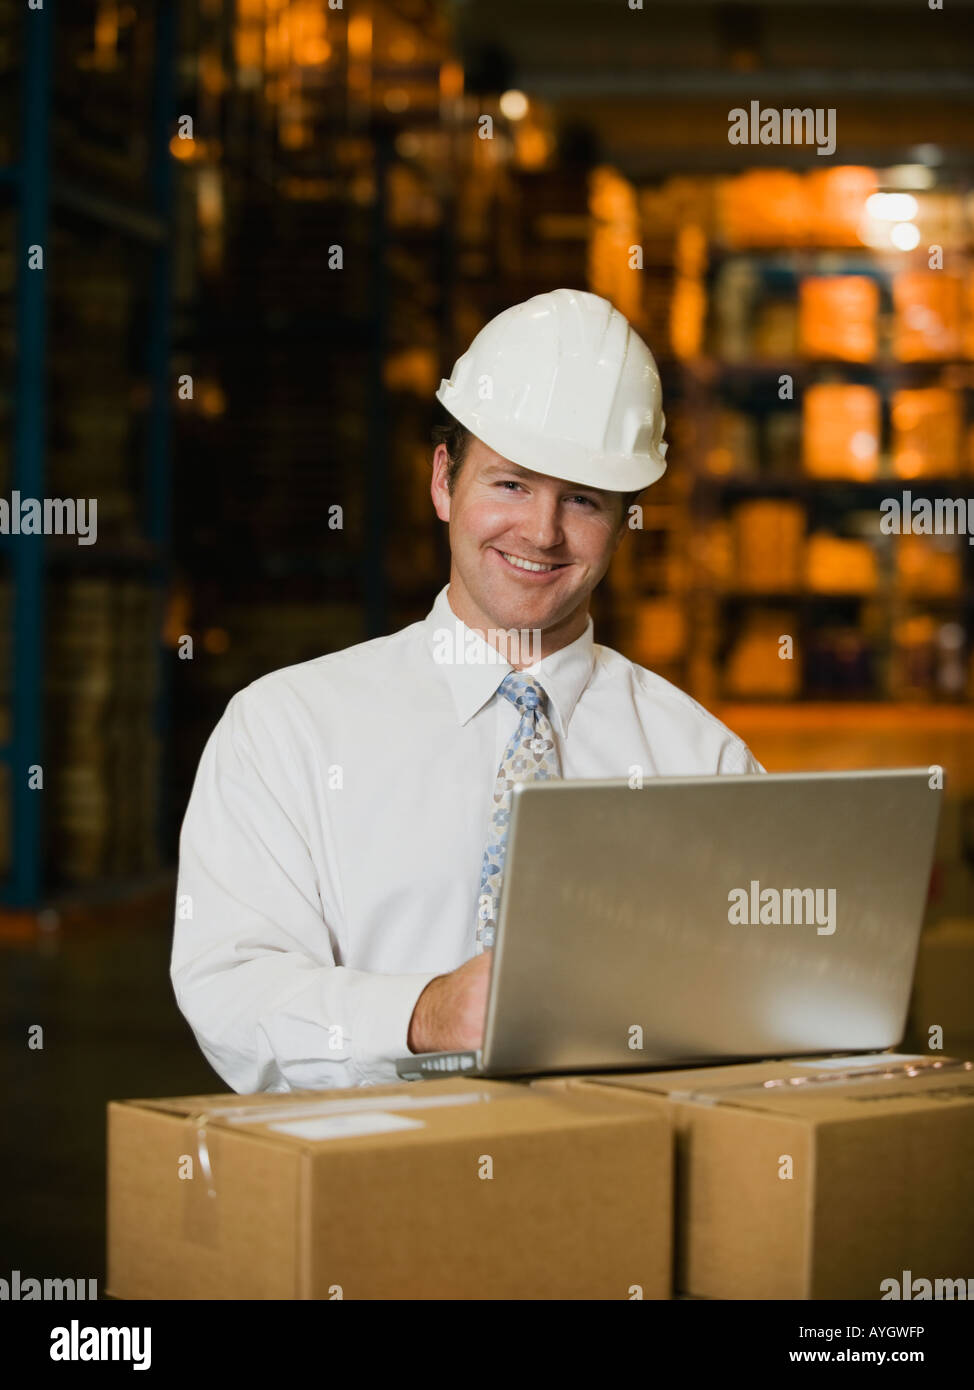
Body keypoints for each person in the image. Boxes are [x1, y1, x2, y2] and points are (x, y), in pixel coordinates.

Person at [170, 288, 764, 1093]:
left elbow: (759, 1002)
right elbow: (230, 988)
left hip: (617, 1180)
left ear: (626, 522)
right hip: (364, 1185)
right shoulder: (286, 731)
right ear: (444, 481)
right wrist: (426, 1013)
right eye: (511, 485)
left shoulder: (702, 759)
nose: (543, 533)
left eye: (583, 499)